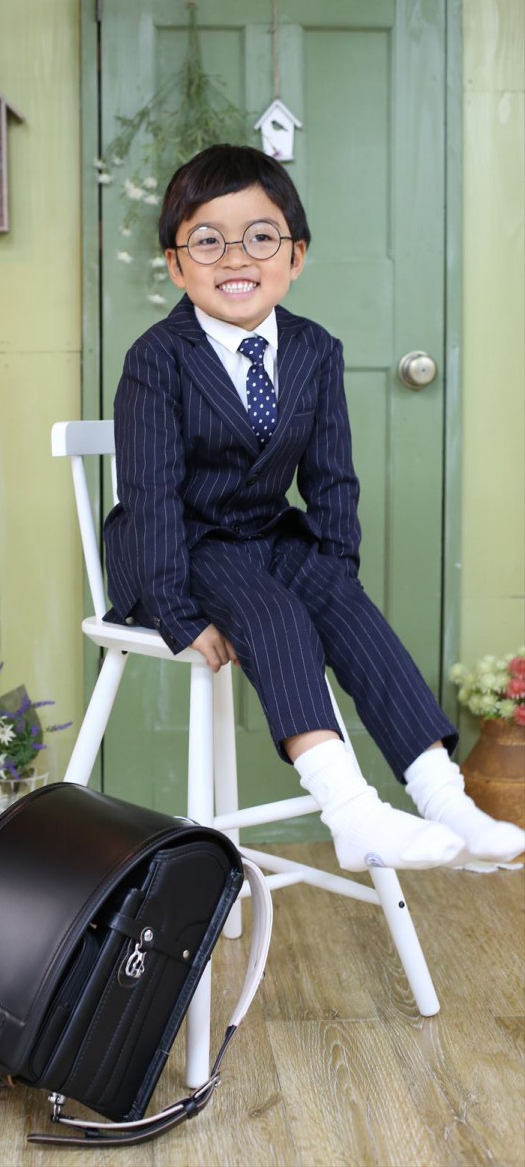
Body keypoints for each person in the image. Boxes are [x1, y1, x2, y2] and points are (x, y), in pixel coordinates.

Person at [103, 143, 524, 873]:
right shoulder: (158, 358)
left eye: (260, 237)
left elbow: (333, 479)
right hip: (179, 546)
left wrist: (334, 574)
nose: (236, 257)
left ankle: (442, 793)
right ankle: (350, 811)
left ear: (295, 256)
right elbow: (149, 494)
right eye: (208, 241)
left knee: (342, 603)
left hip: (267, 536)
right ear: (175, 264)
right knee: (275, 615)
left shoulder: (314, 349)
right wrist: (175, 610)